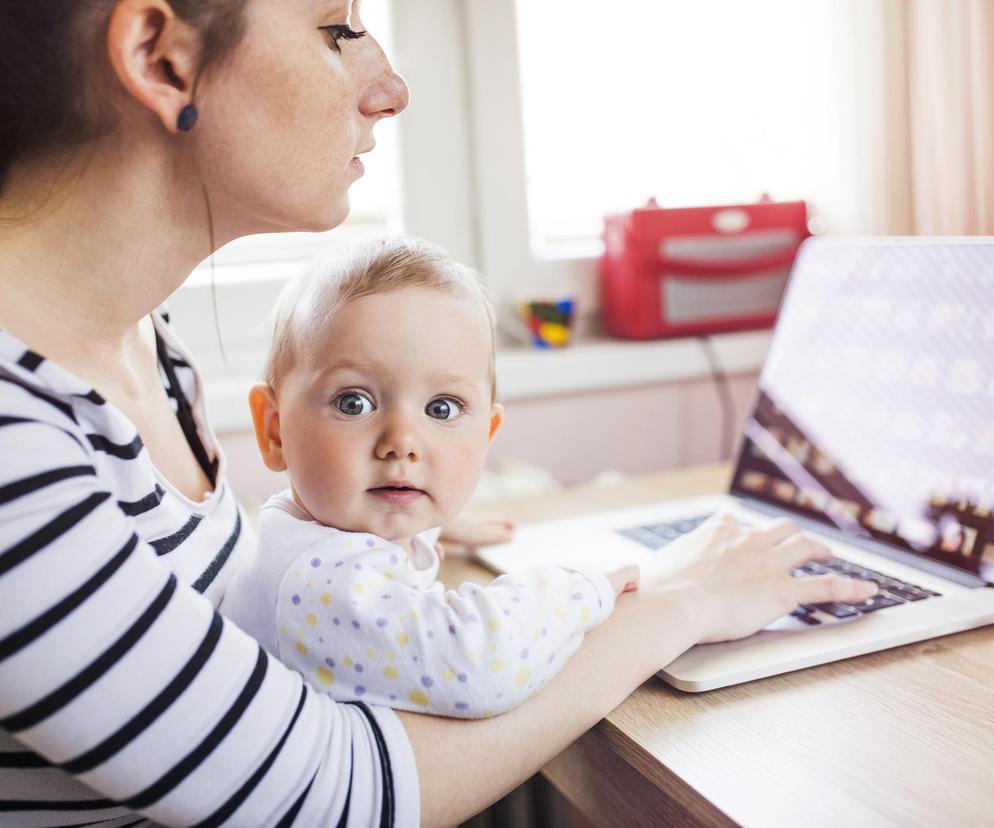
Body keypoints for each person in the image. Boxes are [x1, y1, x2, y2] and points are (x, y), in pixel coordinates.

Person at [0, 1, 879, 825]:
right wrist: (677, 602)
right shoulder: (13, 440)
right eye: (336, 28)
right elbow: (330, 801)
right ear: (163, 59)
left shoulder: (142, 343)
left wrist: (367, 538)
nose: (388, 89)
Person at [221, 236, 640, 718]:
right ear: (275, 431)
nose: (403, 441)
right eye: (353, 403)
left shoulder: (310, 532)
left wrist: (432, 524)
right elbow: (479, 665)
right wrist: (581, 589)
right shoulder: (320, 582)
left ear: (487, 433)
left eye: (442, 408)